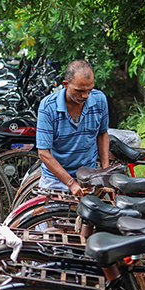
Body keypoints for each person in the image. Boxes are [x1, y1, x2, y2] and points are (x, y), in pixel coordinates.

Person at [36, 59, 110, 197]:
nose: (86, 96)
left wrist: (105, 171)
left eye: (89, 90)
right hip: (55, 180)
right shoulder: (48, 107)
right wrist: (70, 183)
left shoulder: (100, 100)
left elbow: (102, 134)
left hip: (88, 178)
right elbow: (43, 153)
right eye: (80, 91)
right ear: (65, 84)